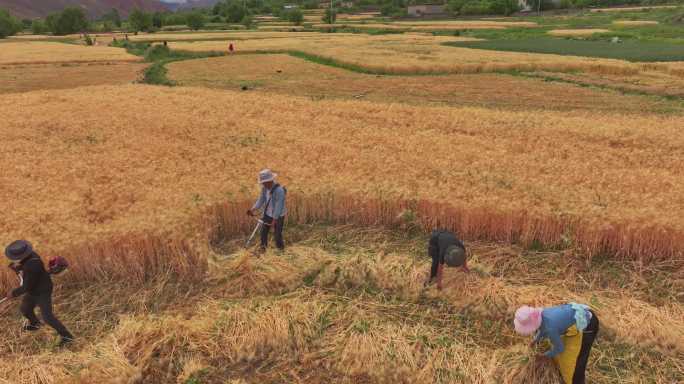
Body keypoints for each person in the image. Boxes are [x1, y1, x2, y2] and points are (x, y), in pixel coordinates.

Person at [4, 240, 74, 347]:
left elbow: (26, 286)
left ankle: (67, 336)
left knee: (47, 317)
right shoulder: (31, 256)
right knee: (25, 309)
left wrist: (13, 293)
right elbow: (26, 273)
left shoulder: (32, 266)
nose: (13, 259)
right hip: (33, 289)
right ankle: (35, 324)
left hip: (42, 291)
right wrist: (18, 268)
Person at [514, 303, 599, 384]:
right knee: (563, 357)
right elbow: (543, 327)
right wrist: (536, 339)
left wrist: (544, 356)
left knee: (575, 361)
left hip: (588, 324)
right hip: (578, 314)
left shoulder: (551, 328)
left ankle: (577, 381)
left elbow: (560, 348)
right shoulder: (543, 314)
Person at [246, 169, 287, 251]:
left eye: (264, 182)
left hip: (278, 216)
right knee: (263, 232)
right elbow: (261, 200)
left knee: (277, 234)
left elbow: (279, 206)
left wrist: (274, 219)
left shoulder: (279, 191)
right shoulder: (264, 189)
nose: (263, 184)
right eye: (262, 182)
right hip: (267, 214)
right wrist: (253, 209)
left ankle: (281, 250)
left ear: (270, 180)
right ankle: (263, 249)